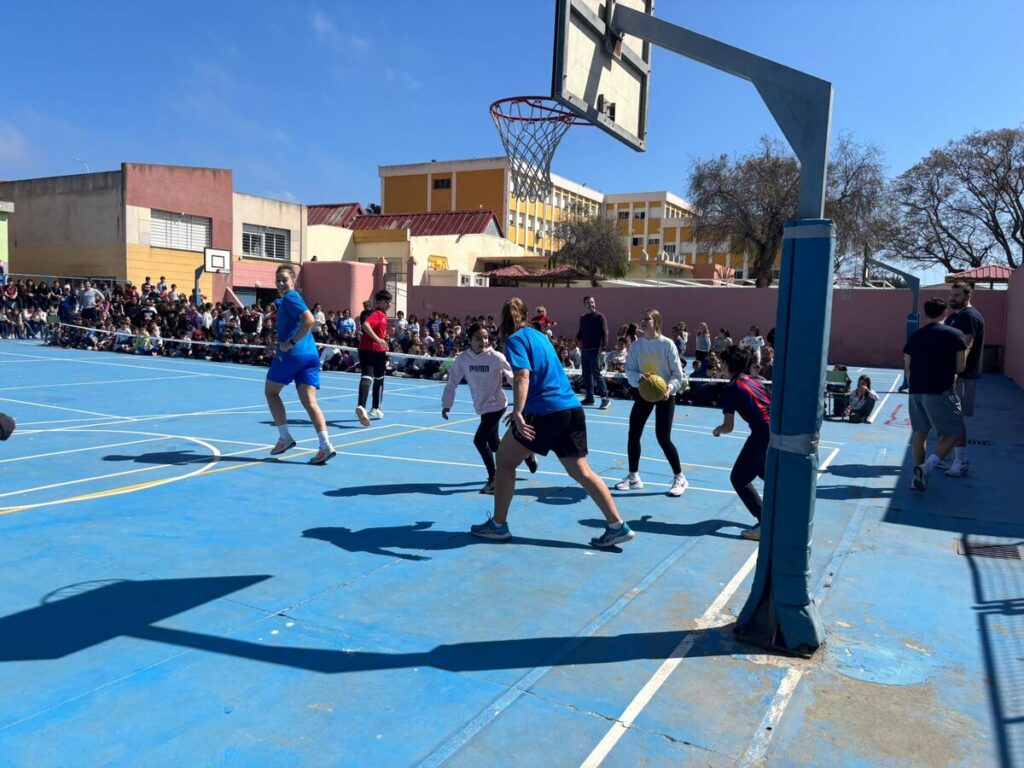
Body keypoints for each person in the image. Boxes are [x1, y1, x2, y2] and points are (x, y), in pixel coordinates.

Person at [470, 297, 634, 548]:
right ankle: (616, 525)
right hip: (571, 408)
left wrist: (518, 411)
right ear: (526, 315)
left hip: (545, 411)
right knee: (582, 471)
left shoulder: (515, 340)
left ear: (504, 319)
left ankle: (498, 526)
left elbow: (522, 376)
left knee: (504, 460)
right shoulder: (540, 336)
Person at [264, 264, 335, 465]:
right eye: (277, 280)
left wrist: (290, 343)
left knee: (271, 392)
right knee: (310, 402)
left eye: (284, 280)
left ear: (293, 281)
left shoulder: (291, 297)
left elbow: (309, 320)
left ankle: (284, 436)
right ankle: (325, 446)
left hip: (293, 355)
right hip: (310, 356)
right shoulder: (287, 300)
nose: (280, 283)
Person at [613, 309, 689, 497]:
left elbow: (678, 375)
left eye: (646, 318)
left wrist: (668, 389)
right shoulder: (637, 346)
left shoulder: (667, 344)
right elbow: (629, 371)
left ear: (656, 321)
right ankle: (633, 476)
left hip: (664, 393)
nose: (642, 321)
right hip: (645, 392)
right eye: (641, 319)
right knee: (634, 433)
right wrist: (640, 378)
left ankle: (680, 477)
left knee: (663, 438)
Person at [441, 323, 517, 493]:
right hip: (482, 406)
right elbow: (452, 381)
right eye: (478, 338)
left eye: (485, 338)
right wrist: (447, 404)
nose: (483, 341)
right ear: (469, 340)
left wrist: (523, 402)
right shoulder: (463, 359)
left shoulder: (496, 357)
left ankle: (494, 479)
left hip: (497, 405)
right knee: (495, 444)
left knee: (479, 440)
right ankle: (526, 454)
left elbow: (513, 378)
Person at [904, 297, 967, 492]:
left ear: (925, 313)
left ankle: (917, 477)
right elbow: (960, 366)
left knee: (919, 432)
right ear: (945, 313)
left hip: (916, 391)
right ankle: (927, 467)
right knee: (954, 431)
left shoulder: (915, 336)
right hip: (940, 390)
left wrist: (915, 383)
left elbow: (907, 365)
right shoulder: (955, 335)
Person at [712, 345, 770, 541]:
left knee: (739, 478)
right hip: (776, 429)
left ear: (728, 364)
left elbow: (728, 426)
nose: (719, 364)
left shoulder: (732, 388)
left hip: (762, 432)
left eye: (721, 362)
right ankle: (783, 509)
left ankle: (766, 522)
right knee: (764, 471)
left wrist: (718, 430)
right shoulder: (755, 381)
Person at [944, 281, 985, 476]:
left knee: (956, 419)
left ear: (967, 297)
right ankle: (951, 457)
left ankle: (960, 462)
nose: (952, 298)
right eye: (951, 295)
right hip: (952, 375)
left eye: (957, 295)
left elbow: (965, 347)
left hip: (963, 377)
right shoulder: (954, 317)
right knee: (949, 418)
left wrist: (955, 372)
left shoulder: (969, 317)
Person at [355, 289, 392, 427]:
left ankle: (362, 406)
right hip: (375, 350)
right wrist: (379, 340)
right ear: (378, 302)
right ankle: (375, 408)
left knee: (368, 376)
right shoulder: (377, 314)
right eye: (385, 301)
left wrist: (382, 337)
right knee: (378, 378)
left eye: (389, 301)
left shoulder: (382, 315)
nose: (388, 304)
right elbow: (365, 325)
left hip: (365, 349)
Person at [575, 295, 611, 410]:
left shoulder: (600, 317)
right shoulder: (583, 318)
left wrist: (603, 348)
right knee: (586, 375)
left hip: (595, 350)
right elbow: (581, 332)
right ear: (585, 305)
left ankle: (605, 398)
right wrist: (576, 339)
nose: (591, 304)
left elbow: (605, 333)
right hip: (584, 350)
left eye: (592, 302)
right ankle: (589, 398)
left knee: (596, 374)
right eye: (588, 303)